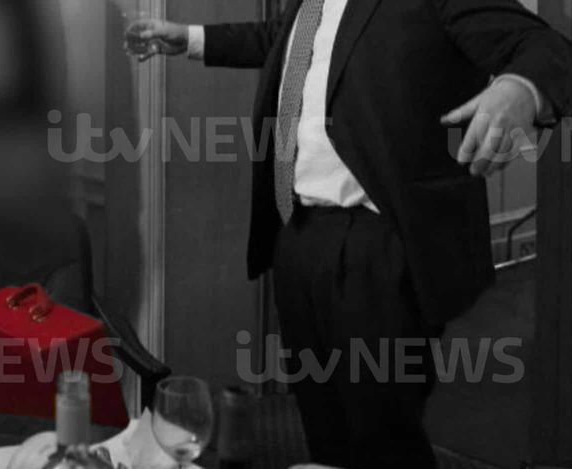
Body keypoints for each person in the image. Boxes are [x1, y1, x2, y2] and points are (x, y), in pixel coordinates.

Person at [129, 1, 572, 468]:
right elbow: (278, 39)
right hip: (297, 233)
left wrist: (521, 89)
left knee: (383, 438)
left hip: (378, 246)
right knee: (322, 427)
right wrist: (190, 39)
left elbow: (546, 47)